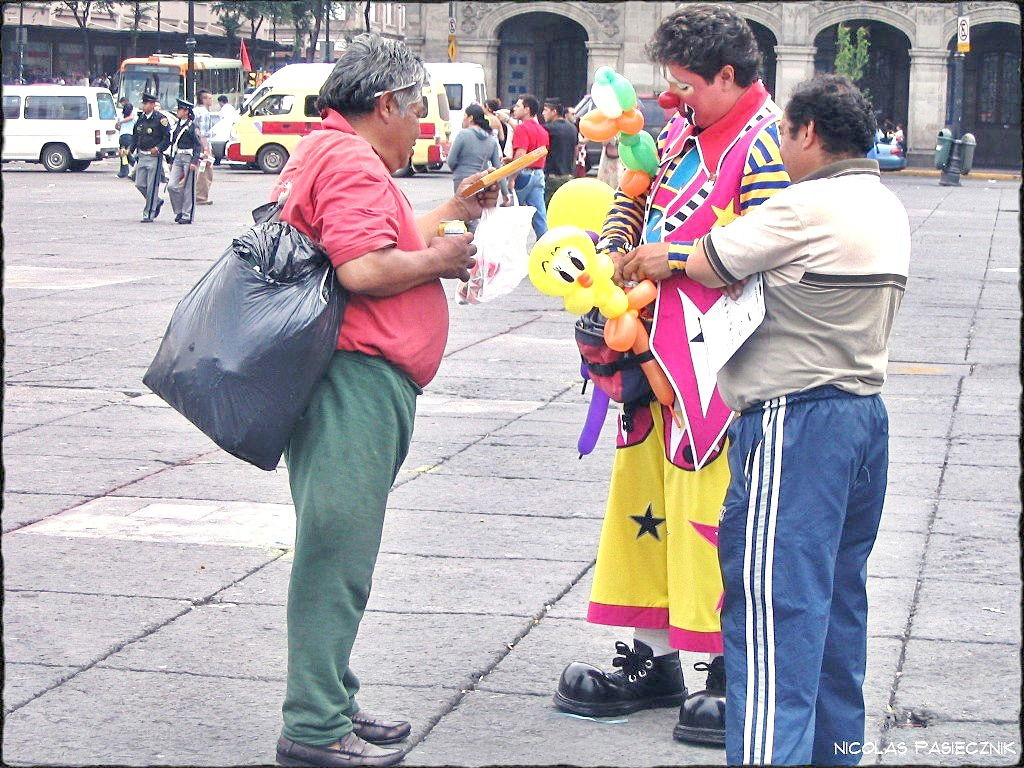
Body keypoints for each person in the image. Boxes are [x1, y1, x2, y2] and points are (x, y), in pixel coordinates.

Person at [554, 5, 791, 747]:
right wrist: (612, 254)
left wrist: (673, 264)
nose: (671, 98)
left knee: (708, 515)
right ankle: (652, 658)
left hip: (719, 370)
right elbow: (634, 200)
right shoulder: (682, 133)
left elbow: (769, 253)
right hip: (649, 360)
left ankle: (723, 666)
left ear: (729, 76)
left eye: (685, 85)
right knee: (641, 505)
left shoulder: (768, 143)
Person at [268, 33, 496, 768]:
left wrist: (453, 210)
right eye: (417, 110)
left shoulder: (333, 151)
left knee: (341, 548)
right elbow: (364, 268)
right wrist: (442, 258)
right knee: (337, 553)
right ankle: (313, 725)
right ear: (386, 104)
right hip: (354, 381)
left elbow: (376, 240)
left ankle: (331, 694)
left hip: (354, 378)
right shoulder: (351, 161)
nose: (422, 126)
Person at [680, 74, 910, 766]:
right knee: (837, 614)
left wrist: (662, 255)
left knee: (773, 616)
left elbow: (709, 259)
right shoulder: (884, 202)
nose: (779, 145)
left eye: (783, 132)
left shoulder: (805, 204)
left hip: (796, 422)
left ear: (809, 133)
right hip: (862, 421)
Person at [507, 93, 549, 238]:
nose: (514, 108)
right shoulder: (542, 130)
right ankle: (546, 247)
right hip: (538, 173)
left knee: (512, 213)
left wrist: (511, 177)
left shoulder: (522, 129)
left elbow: (521, 156)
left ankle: (510, 248)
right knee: (540, 216)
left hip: (523, 174)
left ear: (527, 109)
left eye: (518, 106)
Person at [130, 92, 171, 222]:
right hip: (142, 154)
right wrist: (130, 150)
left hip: (154, 156)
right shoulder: (141, 119)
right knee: (140, 184)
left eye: (146, 103)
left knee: (152, 185)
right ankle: (156, 201)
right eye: (143, 103)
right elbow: (136, 135)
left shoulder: (160, 119)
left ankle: (149, 213)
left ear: (152, 105)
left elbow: (167, 138)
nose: (144, 106)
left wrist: (158, 148)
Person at [446, 102, 503, 195]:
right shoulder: (491, 140)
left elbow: (450, 160)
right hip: (481, 181)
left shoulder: (462, 135)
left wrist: (458, 171)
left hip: (461, 180)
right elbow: (498, 169)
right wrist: (505, 194)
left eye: (464, 116)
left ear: (470, 118)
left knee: (462, 208)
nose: (463, 119)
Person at [165, 98, 201, 224]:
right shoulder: (176, 125)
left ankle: (187, 214)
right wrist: (171, 160)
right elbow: (173, 143)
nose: (178, 111)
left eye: (180, 109)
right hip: (178, 157)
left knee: (188, 188)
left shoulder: (192, 126)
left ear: (186, 111)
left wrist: (194, 161)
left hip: (188, 157)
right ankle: (178, 210)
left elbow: (198, 145)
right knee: (171, 186)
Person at [541, 98, 577, 204]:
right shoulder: (573, 128)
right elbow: (576, 150)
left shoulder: (548, 129)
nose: (543, 113)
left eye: (545, 110)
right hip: (568, 175)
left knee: (548, 207)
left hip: (552, 176)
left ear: (554, 111)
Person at [192, 89, 217, 204]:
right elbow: (203, 133)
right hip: (203, 145)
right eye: (210, 98)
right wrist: (206, 149)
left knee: (195, 170)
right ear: (204, 99)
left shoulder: (194, 110)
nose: (211, 100)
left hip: (193, 145)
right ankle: (201, 197)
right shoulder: (204, 113)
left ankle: (190, 194)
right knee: (205, 172)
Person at [212, 95, 240, 165]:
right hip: (231, 130)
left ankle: (217, 161)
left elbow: (222, 121)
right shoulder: (231, 108)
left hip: (225, 131)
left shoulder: (224, 109)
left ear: (221, 102)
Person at [115, 97, 137, 178]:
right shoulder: (134, 117)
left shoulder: (121, 116)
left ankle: (127, 170)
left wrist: (120, 124)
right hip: (130, 136)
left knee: (124, 155)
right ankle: (131, 168)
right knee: (126, 154)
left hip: (122, 136)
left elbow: (117, 126)